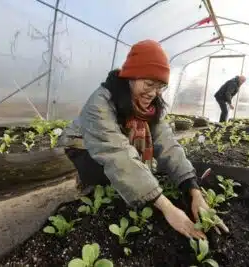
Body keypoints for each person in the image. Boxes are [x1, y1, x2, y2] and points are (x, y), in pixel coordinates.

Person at [60, 40, 227, 240]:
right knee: (107, 179)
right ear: (131, 76)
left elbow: (168, 146)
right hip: (83, 143)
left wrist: (193, 191)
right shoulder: (100, 103)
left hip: (116, 142)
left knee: (129, 179)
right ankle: (86, 179)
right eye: (148, 84)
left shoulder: (149, 107)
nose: (153, 93)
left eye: (160, 87)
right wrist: (168, 208)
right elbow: (117, 154)